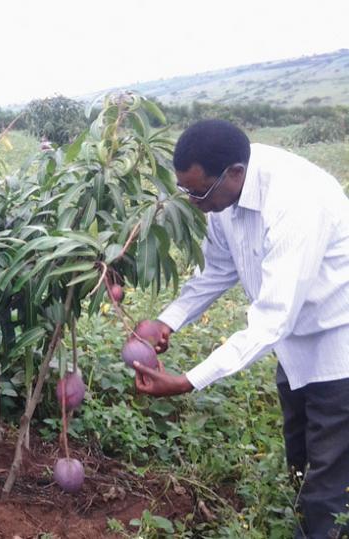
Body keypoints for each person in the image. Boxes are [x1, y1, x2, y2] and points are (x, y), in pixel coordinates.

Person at [131, 119, 349, 538]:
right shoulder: (223, 199)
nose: (192, 201)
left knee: (328, 483)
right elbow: (218, 269)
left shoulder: (295, 201)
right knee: (301, 461)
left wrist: (188, 381)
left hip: (337, 350)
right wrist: (167, 320)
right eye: (185, 190)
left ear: (235, 173)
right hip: (295, 350)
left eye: (199, 191)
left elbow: (272, 318)